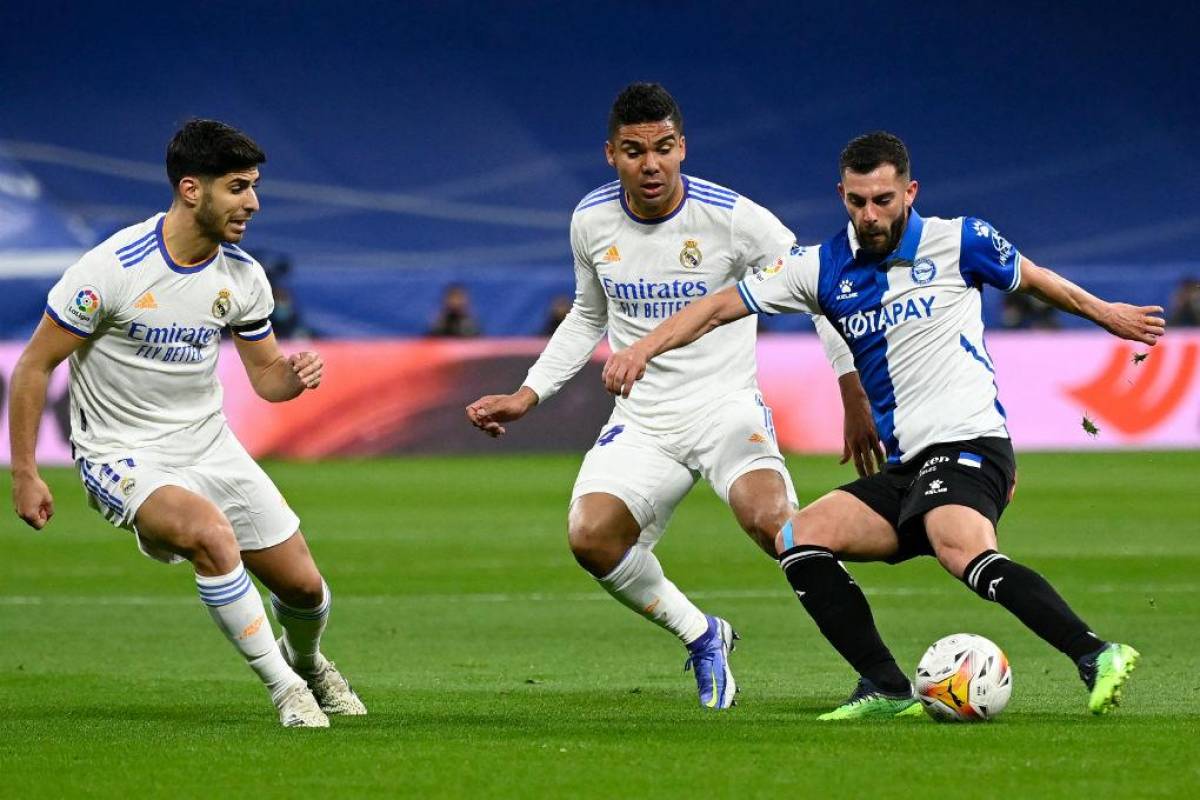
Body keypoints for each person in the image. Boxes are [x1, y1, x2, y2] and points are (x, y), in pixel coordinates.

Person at [603, 131, 1163, 719]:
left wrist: (1107, 314)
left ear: (910, 191)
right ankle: (885, 685)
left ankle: (1095, 653)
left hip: (971, 444)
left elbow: (1034, 278)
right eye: (858, 201)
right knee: (798, 538)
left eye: (884, 200)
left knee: (959, 548)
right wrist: (643, 350)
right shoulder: (820, 267)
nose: (870, 215)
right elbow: (718, 306)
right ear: (841, 194)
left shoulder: (959, 240)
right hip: (910, 468)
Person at [466, 83, 878, 710]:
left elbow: (821, 290)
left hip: (725, 407)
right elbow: (586, 315)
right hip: (644, 419)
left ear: (682, 147)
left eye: (662, 148)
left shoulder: (736, 219)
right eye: (634, 151)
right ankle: (703, 634)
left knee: (778, 529)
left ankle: (877, 670)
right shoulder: (590, 221)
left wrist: (852, 391)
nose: (650, 164)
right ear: (611, 155)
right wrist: (529, 394)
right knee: (591, 537)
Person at [8, 119, 365, 728]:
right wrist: (25, 474)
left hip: (210, 445)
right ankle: (286, 691)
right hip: (122, 453)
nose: (252, 202)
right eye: (238, 187)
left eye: (253, 186)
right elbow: (33, 366)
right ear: (192, 190)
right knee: (210, 536)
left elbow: (266, 380)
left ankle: (305, 662)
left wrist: (294, 374)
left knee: (305, 591)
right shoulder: (111, 270)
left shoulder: (244, 277)